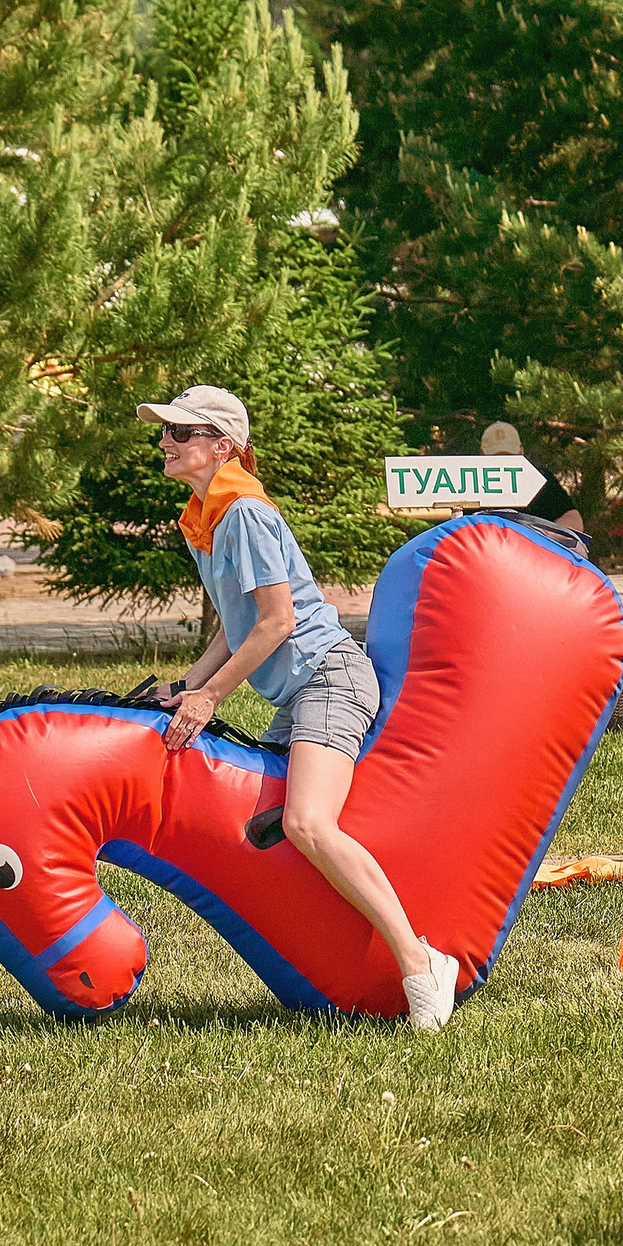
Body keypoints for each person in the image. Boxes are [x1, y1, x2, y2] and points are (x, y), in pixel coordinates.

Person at [150, 385, 462, 1030]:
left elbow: (277, 622)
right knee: (264, 826)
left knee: (308, 825)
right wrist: (189, 683)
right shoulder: (206, 516)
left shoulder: (244, 514)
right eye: (166, 431)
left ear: (222, 446)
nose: (165, 442)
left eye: (181, 432)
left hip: (328, 678)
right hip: (298, 688)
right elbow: (235, 627)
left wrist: (211, 697)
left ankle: (421, 963)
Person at [479, 422, 586, 537]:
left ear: (521, 452)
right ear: (481, 455)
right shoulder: (470, 484)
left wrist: (544, 538)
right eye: (495, 457)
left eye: (509, 456)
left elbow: (572, 518)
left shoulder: (540, 479)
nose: (503, 463)